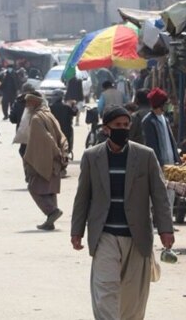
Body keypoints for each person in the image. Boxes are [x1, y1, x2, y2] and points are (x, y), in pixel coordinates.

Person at [71, 106, 174, 320]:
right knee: (105, 291)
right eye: (117, 126)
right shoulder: (92, 157)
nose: (123, 129)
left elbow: (159, 195)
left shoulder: (145, 156)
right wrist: (77, 231)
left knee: (133, 298)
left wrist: (166, 229)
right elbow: (82, 196)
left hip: (137, 238)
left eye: (126, 125)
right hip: (105, 235)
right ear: (106, 129)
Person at [22, 90, 68, 230]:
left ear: (35, 102)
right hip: (55, 160)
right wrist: (62, 153)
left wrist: (56, 152)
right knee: (50, 191)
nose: (27, 105)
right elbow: (61, 135)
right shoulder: (48, 114)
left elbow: (47, 139)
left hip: (45, 160)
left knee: (33, 188)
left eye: (28, 102)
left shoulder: (36, 118)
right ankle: (50, 222)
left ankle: (52, 212)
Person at [141, 88, 179, 166]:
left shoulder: (165, 119)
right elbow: (152, 146)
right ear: (160, 104)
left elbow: (172, 142)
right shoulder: (148, 121)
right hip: (160, 166)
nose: (168, 105)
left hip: (171, 164)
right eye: (166, 103)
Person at [50, 89, 77, 159]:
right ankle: (67, 152)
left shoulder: (50, 108)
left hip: (54, 131)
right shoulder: (66, 107)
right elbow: (75, 112)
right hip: (66, 131)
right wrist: (74, 105)